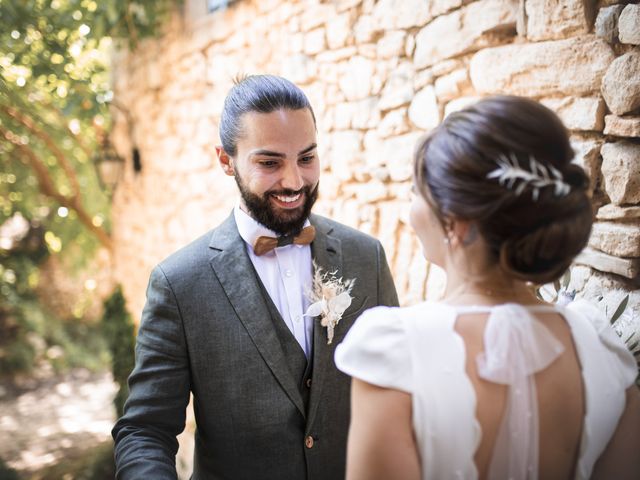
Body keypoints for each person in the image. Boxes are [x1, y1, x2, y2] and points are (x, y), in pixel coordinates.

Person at [335, 96, 640, 480]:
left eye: (416, 191)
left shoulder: (396, 350)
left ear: (457, 222)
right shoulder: (598, 347)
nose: (409, 209)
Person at [112, 74, 399, 479]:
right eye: (270, 162)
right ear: (226, 161)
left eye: (307, 157)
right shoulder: (179, 284)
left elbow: (397, 390)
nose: (294, 181)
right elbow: (145, 430)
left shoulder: (364, 257)